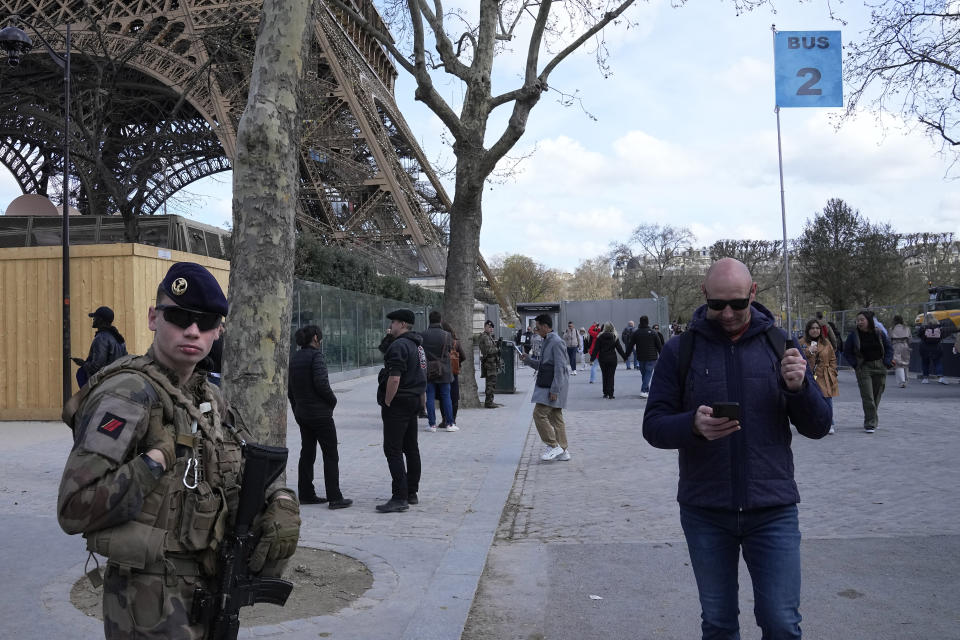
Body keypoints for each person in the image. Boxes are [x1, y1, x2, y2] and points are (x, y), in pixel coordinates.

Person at [58, 262, 301, 639]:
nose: (192, 330)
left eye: (205, 322)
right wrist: (154, 462)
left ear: (218, 331)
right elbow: (74, 509)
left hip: (207, 586)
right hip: (149, 598)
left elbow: (246, 468)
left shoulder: (208, 398)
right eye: (179, 316)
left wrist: (282, 499)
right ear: (154, 318)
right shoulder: (128, 395)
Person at [642, 258, 831, 640]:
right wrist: (691, 425)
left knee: (781, 623)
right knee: (718, 623)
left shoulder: (780, 345)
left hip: (772, 508)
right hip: (705, 510)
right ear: (704, 295)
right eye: (717, 305)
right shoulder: (681, 350)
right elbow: (653, 425)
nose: (727, 313)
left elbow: (819, 426)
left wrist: (800, 389)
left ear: (753, 293)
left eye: (737, 304)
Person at [288, 325, 351, 509]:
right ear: (316, 338)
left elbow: (290, 389)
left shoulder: (295, 358)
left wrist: (297, 407)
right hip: (321, 415)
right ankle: (335, 497)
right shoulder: (317, 357)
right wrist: (332, 401)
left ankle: (306, 493)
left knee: (307, 452)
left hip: (303, 413)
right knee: (330, 454)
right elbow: (322, 383)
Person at [376, 308, 427, 512]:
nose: (391, 326)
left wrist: (388, 401)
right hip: (413, 399)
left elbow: (394, 377)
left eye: (394, 323)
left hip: (398, 402)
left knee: (393, 449)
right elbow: (422, 374)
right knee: (411, 447)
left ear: (403, 324)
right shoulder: (417, 345)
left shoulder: (399, 346)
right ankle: (411, 491)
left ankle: (399, 496)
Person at [520, 314, 571, 462]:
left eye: (537, 327)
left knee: (539, 414)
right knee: (556, 417)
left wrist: (555, 390)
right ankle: (563, 450)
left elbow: (560, 368)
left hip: (552, 385)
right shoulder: (548, 340)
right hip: (550, 384)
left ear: (544, 327)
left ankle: (553, 445)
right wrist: (528, 360)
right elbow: (543, 365)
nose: (536, 330)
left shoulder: (556, 342)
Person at [843, 310, 894, 433]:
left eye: (862, 320)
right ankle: (870, 423)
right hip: (864, 367)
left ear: (869, 321)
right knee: (868, 396)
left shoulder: (879, 333)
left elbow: (889, 348)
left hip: (880, 366)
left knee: (877, 394)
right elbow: (847, 351)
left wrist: (887, 362)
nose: (859, 322)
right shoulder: (853, 335)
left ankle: (872, 418)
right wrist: (855, 364)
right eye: (858, 320)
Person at [799, 318, 839, 434]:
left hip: (824, 375)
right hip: (808, 376)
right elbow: (798, 357)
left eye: (817, 328)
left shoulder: (826, 343)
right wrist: (808, 351)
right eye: (812, 328)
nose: (815, 330)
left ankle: (829, 423)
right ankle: (811, 423)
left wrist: (832, 371)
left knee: (827, 400)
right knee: (809, 400)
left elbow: (833, 359)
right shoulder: (801, 343)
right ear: (808, 330)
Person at [73, 305, 127, 387]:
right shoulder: (118, 338)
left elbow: (96, 368)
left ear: (101, 320)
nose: (93, 319)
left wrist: (83, 363)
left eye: (95, 317)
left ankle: (89, 399)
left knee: (81, 373)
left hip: (104, 382)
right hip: (117, 379)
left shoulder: (101, 338)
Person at [421, 311, 457, 432]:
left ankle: (432, 425)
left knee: (430, 397)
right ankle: (450, 423)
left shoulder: (423, 335)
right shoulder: (447, 335)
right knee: (446, 396)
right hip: (444, 370)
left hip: (429, 369)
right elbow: (450, 348)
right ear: (440, 320)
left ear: (429, 320)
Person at [439, 321, 468, 428]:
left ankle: (444, 419)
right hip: (454, 372)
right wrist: (457, 363)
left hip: (442, 372)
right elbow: (464, 356)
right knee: (454, 396)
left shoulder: (441, 341)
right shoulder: (456, 342)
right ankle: (453, 420)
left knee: (443, 395)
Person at [592, 322, 627, 399]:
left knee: (604, 375)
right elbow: (619, 348)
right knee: (611, 376)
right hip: (612, 359)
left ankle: (605, 392)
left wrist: (592, 359)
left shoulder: (599, 337)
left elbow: (596, 349)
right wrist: (625, 357)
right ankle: (611, 394)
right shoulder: (614, 337)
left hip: (603, 359)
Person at [918, 313, 949, 385]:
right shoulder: (939, 327)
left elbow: (919, 335)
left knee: (925, 363)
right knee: (938, 362)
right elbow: (943, 335)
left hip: (924, 347)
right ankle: (940, 377)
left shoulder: (923, 327)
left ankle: (925, 378)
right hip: (936, 347)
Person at [478, 319, 502, 408]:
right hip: (489, 363)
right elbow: (488, 350)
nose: (491, 329)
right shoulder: (484, 337)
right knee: (490, 383)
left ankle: (490, 401)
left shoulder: (489, 336)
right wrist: (497, 349)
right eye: (489, 327)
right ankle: (488, 402)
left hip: (492, 363)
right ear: (485, 327)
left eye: (492, 327)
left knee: (492, 382)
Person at [889, 315, 912, 388]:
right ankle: (906, 379)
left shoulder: (891, 329)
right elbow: (910, 339)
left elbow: (889, 339)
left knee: (898, 364)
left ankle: (901, 381)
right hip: (905, 345)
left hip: (895, 345)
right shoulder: (907, 328)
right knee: (905, 363)